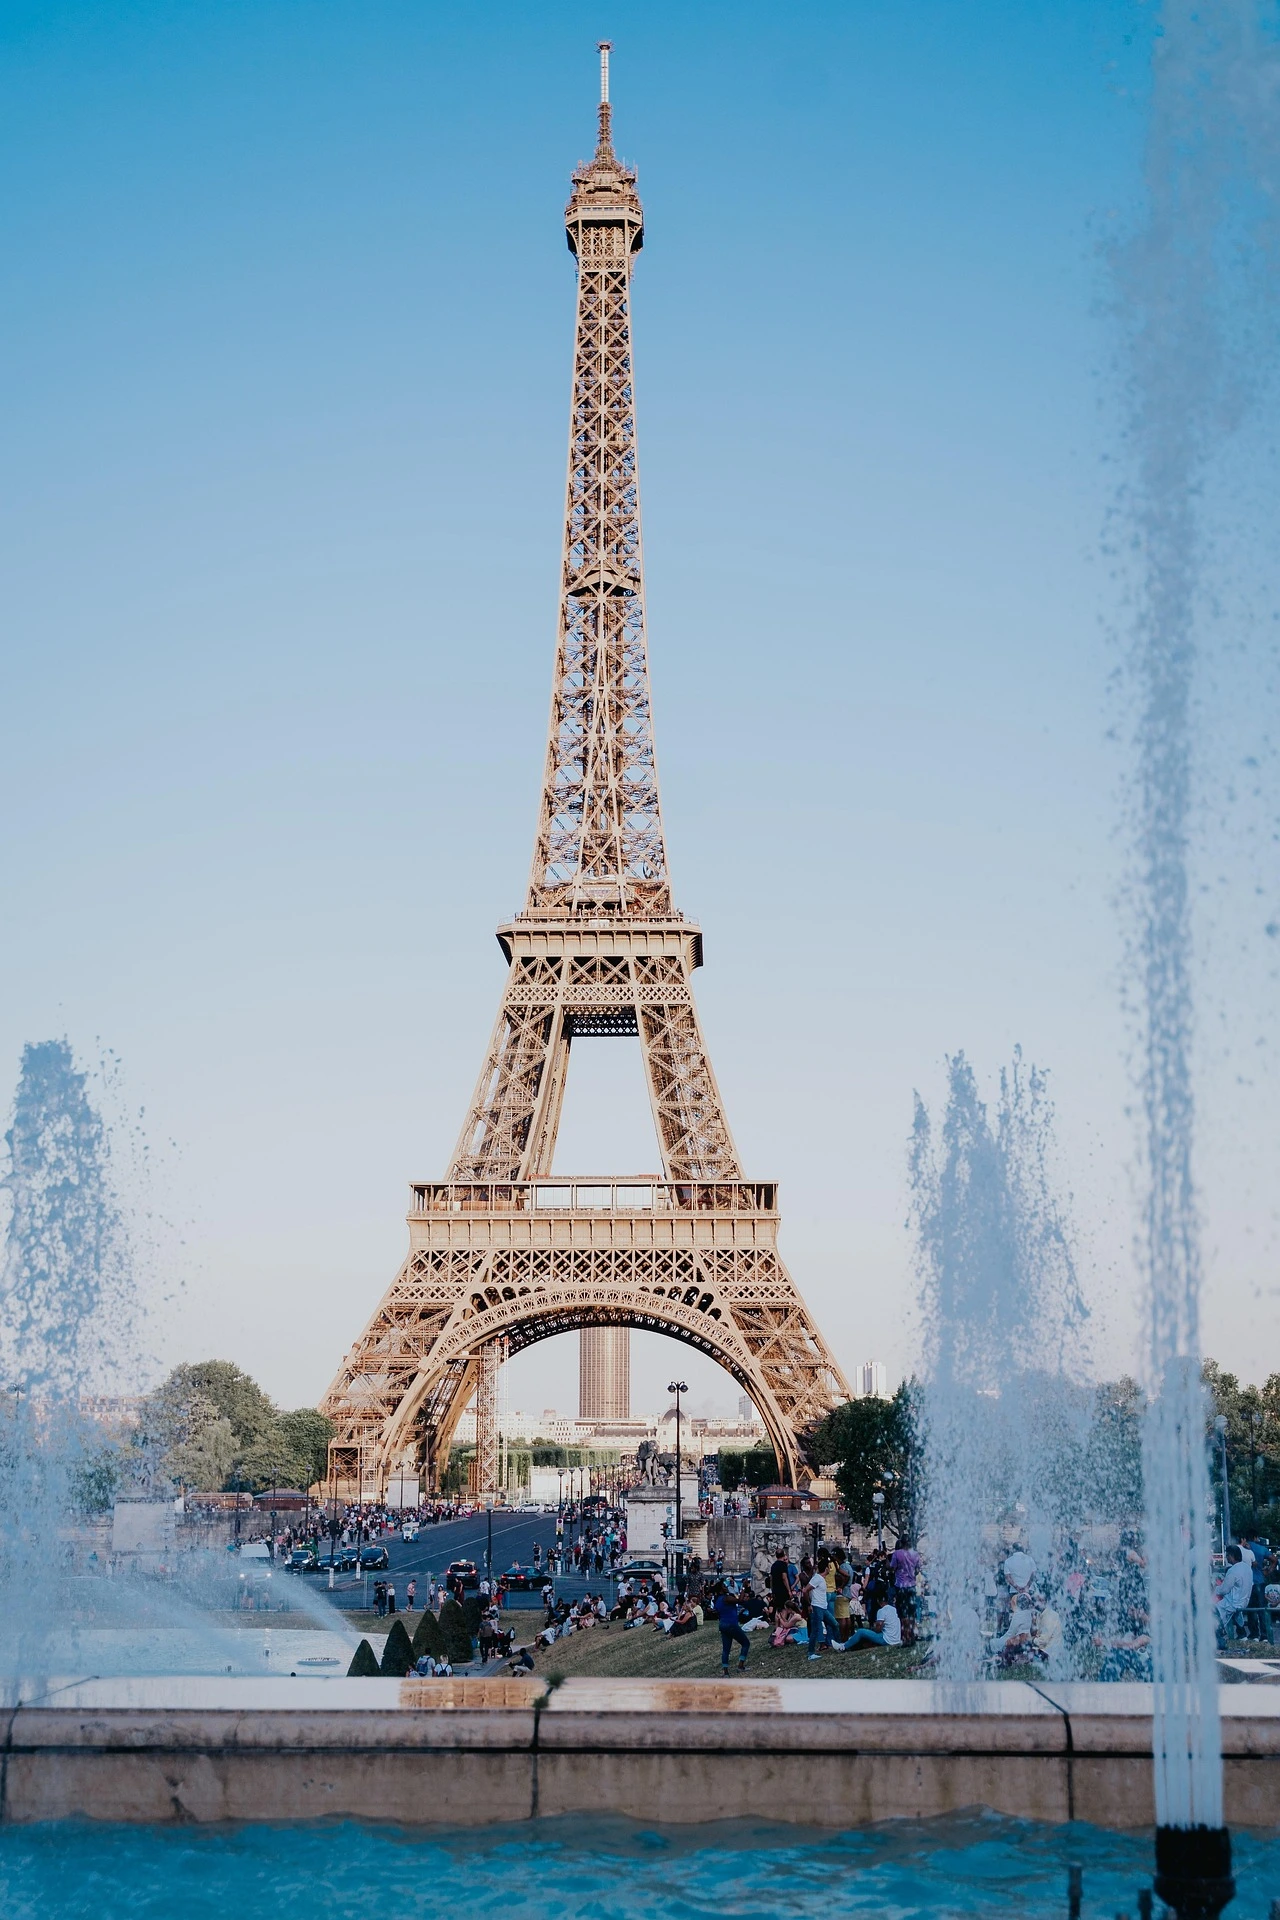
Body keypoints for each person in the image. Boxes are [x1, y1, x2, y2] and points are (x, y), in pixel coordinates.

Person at [1215, 1545, 1254, 1644]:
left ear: (1232, 1556)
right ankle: (1241, 1634)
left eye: (1227, 1555)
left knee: (1213, 1610)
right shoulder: (1247, 1568)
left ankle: (1218, 1635)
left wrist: (1215, 1589)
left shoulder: (1233, 1570)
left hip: (1232, 1602)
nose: (1227, 1558)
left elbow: (1224, 1590)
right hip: (1244, 1600)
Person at [712, 1583, 751, 1673]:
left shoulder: (717, 1600)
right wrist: (744, 1587)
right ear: (721, 1590)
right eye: (724, 1586)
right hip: (731, 1624)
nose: (726, 1588)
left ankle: (726, 1672)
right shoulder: (726, 1598)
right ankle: (740, 1666)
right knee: (745, 1643)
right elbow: (740, 1600)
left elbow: (716, 1611)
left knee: (726, 1649)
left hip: (722, 1624)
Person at [806, 1560, 833, 1660]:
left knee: (834, 1624)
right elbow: (805, 1590)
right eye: (829, 1567)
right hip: (817, 1606)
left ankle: (837, 1644)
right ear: (826, 1568)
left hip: (823, 1607)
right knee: (815, 1630)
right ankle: (811, 1653)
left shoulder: (821, 1578)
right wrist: (809, 1604)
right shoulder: (817, 1578)